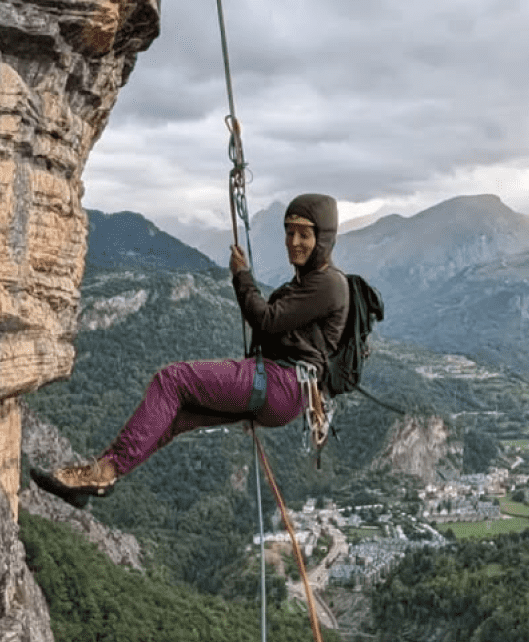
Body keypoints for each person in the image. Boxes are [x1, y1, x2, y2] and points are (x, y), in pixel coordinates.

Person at [30, 193, 349, 507]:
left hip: (281, 384)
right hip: (283, 391)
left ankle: (102, 473)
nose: (294, 241)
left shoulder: (328, 284)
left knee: (172, 380)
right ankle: (100, 476)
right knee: (175, 415)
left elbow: (265, 320)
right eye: (290, 232)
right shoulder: (306, 283)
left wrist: (242, 277)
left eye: (304, 234)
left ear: (323, 239)